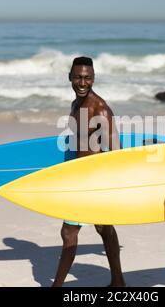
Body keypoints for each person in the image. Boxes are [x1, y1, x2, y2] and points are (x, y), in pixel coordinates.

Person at [52, 56, 126, 287]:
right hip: (79, 176)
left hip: (94, 181)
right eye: (78, 77)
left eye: (87, 78)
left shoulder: (100, 109)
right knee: (103, 228)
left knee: (69, 231)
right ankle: (118, 281)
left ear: (93, 79)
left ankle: (57, 286)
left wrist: (110, 185)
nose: (82, 82)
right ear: (70, 77)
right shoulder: (76, 104)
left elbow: (116, 151)